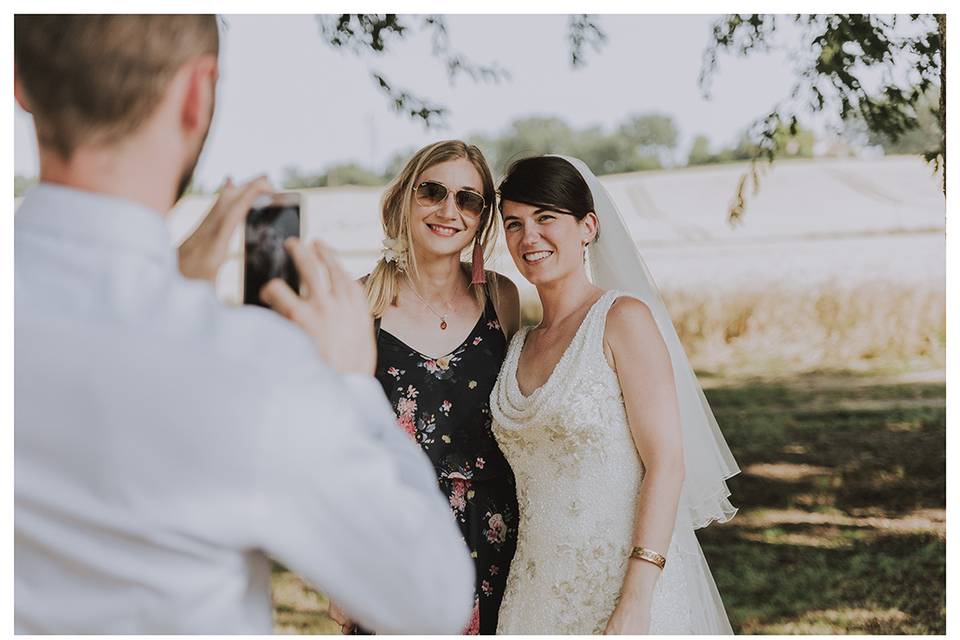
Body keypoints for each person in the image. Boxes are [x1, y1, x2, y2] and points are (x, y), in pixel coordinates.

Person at [14, 15, 474, 634]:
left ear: (19, 84)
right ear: (197, 93)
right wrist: (349, 385)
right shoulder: (253, 373)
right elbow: (429, 600)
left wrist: (175, 284)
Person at [489, 156, 739, 634]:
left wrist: (637, 600)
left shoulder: (623, 320)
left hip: (622, 587)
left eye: (546, 218)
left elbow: (666, 462)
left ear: (588, 227)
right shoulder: (518, 341)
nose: (528, 238)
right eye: (514, 223)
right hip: (533, 592)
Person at [330, 141, 521, 635]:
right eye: (432, 191)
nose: (448, 210)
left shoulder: (500, 298)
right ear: (403, 200)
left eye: (468, 199)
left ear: (482, 218)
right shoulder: (357, 304)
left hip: (496, 535)